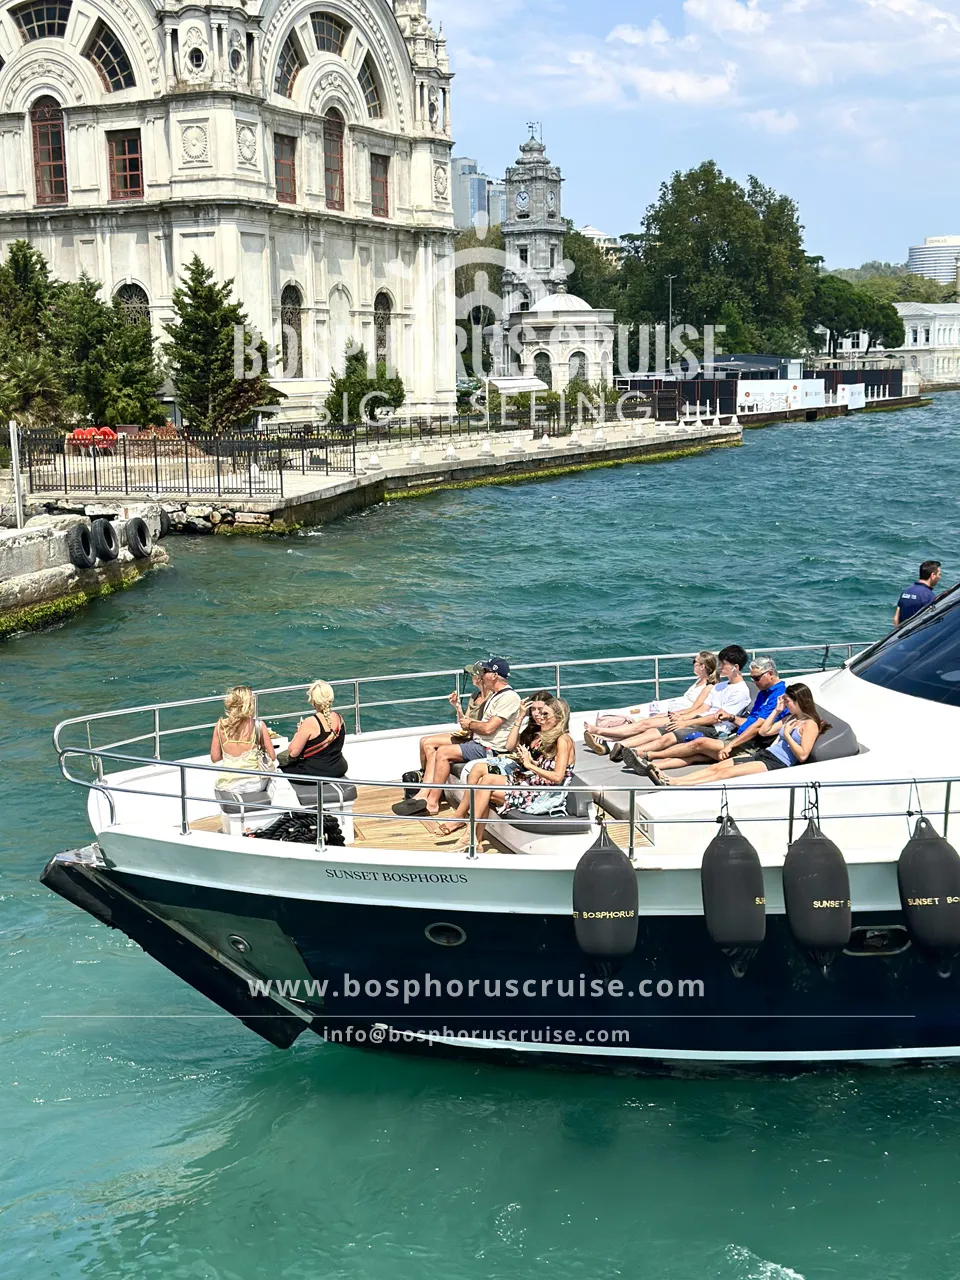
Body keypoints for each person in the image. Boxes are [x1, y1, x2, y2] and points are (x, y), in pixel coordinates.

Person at [393, 658, 522, 816]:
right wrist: (465, 717)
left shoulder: (509, 697)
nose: (481, 675)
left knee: (443, 752)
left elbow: (488, 728)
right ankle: (426, 794)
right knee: (436, 749)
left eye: (485, 672)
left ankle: (432, 802)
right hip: (480, 743)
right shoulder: (498, 696)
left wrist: (470, 724)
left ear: (494, 675)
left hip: (491, 749)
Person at [637, 684, 829, 786]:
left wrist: (786, 734)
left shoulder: (810, 724)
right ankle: (673, 780)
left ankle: (677, 783)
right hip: (765, 754)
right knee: (717, 767)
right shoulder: (790, 718)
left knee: (724, 774)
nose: (785, 704)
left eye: (787, 701)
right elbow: (764, 731)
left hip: (777, 763)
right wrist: (777, 711)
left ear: (799, 701)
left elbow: (802, 755)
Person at [450, 696, 576, 849]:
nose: (540, 718)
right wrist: (530, 760)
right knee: (486, 780)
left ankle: (471, 836)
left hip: (543, 794)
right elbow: (546, 767)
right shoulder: (551, 738)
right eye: (541, 713)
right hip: (534, 783)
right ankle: (475, 839)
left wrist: (529, 765)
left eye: (545, 714)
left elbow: (557, 777)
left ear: (559, 718)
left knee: (484, 788)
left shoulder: (564, 740)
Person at [637, 656, 787, 773]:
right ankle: (651, 767)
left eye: (757, 678)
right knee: (697, 755)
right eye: (752, 678)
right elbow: (750, 722)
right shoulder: (763, 693)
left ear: (770, 674)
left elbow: (757, 727)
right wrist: (732, 718)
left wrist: (730, 745)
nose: (754, 682)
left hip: (750, 743)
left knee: (699, 743)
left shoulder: (778, 696)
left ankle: (648, 755)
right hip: (740, 736)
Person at [616, 645, 753, 773]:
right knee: (660, 728)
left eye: (724, 664)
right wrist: (683, 718)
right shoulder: (720, 686)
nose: (720, 667)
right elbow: (704, 708)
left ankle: (638, 754)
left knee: (670, 736)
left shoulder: (740, 692)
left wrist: (685, 723)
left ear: (735, 667)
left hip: (715, 729)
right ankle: (626, 750)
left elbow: (716, 718)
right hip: (700, 720)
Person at [435, 690, 554, 837]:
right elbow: (510, 746)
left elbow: (549, 768)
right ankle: (460, 817)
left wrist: (530, 762)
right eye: (533, 709)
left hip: (527, 776)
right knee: (477, 769)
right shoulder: (531, 731)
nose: (536, 714)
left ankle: (463, 823)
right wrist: (520, 717)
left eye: (541, 710)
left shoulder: (552, 736)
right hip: (519, 768)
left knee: (483, 781)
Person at [583, 651, 718, 755]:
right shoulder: (699, 681)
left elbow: (695, 708)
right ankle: (607, 738)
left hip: (680, 715)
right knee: (644, 722)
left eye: (694, 661)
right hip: (675, 712)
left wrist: (675, 716)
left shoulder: (708, 686)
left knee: (645, 724)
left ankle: (601, 733)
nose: (693, 663)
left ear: (702, 666)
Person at [210, 685, 276, 790]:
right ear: (249, 703)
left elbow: (215, 758)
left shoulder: (220, 725)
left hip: (226, 784)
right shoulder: (258, 725)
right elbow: (272, 757)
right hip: (253, 784)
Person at [280, 679, 348, 780]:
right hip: (339, 768)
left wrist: (299, 732)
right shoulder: (339, 718)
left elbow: (293, 752)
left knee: (280, 764)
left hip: (315, 772)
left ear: (313, 701)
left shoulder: (310, 722)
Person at [894, 561, 942, 627]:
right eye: (939, 574)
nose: (939, 577)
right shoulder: (929, 596)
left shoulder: (906, 591)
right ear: (933, 575)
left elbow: (896, 618)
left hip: (902, 632)